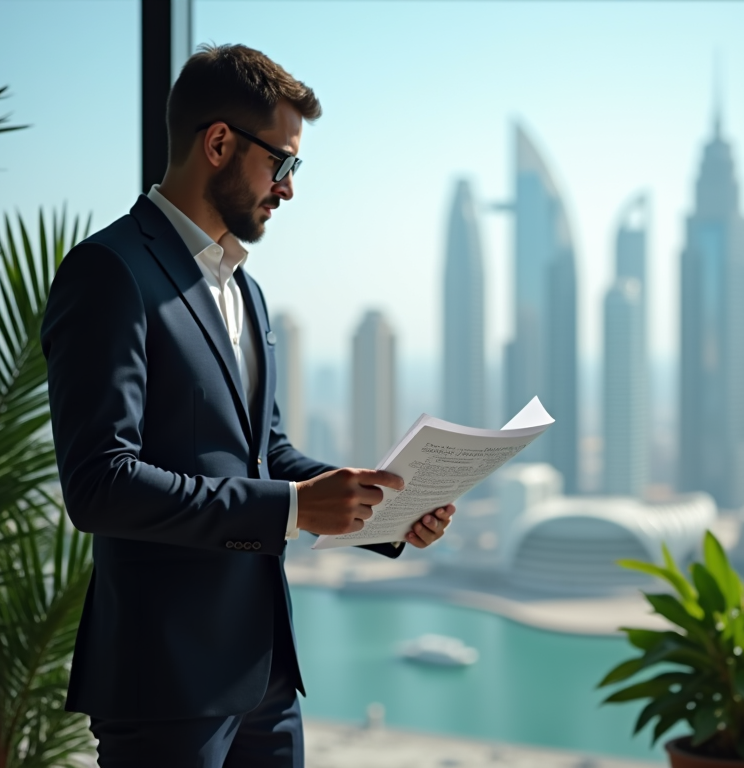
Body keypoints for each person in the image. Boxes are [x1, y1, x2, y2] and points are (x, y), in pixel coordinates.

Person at [40, 43, 455, 768]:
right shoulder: (110, 273)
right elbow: (99, 486)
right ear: (220, 143)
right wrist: (294, 509)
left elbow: (269, 453)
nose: (289, 188)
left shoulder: (245, 290)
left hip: (266, 681)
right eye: (282, 163)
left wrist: (384, 506)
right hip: (165, 684)